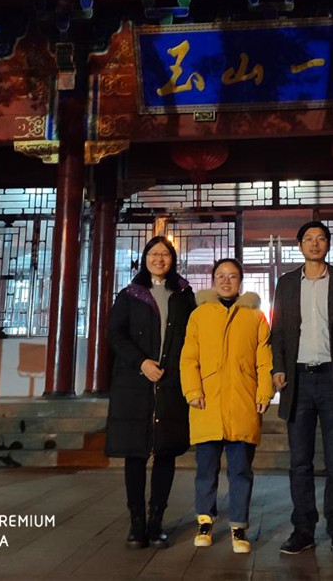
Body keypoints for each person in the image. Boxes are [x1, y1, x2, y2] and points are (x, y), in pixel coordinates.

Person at [270, 221, 333, 560]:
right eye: (308, 239)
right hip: (297, 379)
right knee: (300, 462)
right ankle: (303, 530)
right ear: (299, 245)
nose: (314, 243)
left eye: (320, 238)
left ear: (327, 244)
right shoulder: (286, 283)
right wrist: (278, 367)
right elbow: (278, 330)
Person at [105, 235, 197, 549]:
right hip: (134, 382)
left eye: (165, 254)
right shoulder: (130, 294)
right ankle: (137, 524)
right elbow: (115, 334)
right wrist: (141, 362)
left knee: (165, 451)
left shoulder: (183, 294)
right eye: (154, 254)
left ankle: (156, 522)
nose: (159, 259)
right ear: (145, 259)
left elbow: (193, 336)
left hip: (171, 382)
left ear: (172, 260)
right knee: (135, 453)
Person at [180, 258, 274, 554]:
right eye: (220, 275)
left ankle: (239, 526)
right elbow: (189, 358)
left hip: (242, 402)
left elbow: (264, 360)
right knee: (205, 470)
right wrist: (192, 391)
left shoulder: (255, 317)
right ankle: (205, 521)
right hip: (207, 402)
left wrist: (264, 393)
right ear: (213, 280)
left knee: (241, 470)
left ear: (240, 281)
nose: (226, 280)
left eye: (232, 276)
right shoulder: (199, 315)